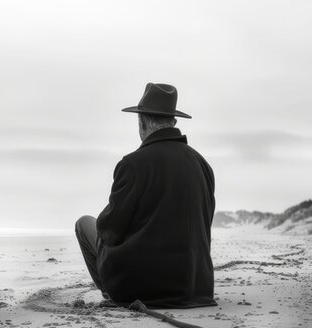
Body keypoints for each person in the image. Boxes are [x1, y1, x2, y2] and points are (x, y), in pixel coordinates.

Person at [75, 82, 216, 309]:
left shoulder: (133, 164)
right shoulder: (203, 165)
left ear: (142, 122)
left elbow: (110, 230)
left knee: (85, 224)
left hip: (143, 291)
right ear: (173, 121)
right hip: (197, 288)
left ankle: (110, 292)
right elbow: (203, 225)